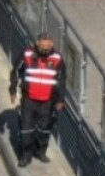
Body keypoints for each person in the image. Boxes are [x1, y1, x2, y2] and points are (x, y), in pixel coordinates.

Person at [9, 32, 66, 167]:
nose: (45, 50)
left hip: (48, 101)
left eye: (47, 47)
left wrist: (60, 100)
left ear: (52, 45)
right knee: (26, 128)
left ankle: (40, 152)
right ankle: (26, 156)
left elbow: (62, 80)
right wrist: (12, 90)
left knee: (44, 128)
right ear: (37, 44)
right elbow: (15, 71)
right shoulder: (27, 54)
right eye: (42, 47)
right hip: (29, 99)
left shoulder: (57, 58)